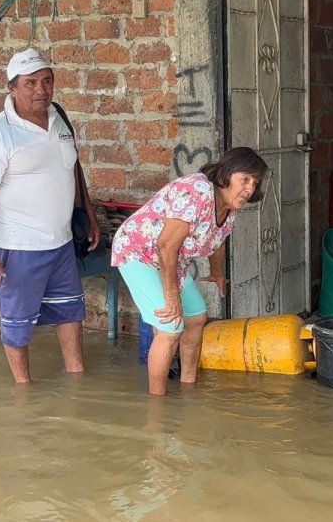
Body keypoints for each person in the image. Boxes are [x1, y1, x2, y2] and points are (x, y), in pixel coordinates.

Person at [0, 47, 100, 385]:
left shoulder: (59, 116)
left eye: (46, 81)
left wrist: (89, 213)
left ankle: (77, 377)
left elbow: (73, 168)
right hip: (19, 245)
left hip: (59, 241)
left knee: (70, 312)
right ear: (12, 88)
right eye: (30, 83)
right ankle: (23, 389)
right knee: (17, 322)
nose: (40, 90)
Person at [111, 147, 269, 395]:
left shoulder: (229, 209)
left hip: (171, 259)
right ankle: (157, 403)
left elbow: (219, 240)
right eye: (245, 179)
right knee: (171, 326)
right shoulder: (196, 192)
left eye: (255, 182)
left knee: (196, 318)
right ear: (226, 175)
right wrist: (172, 298)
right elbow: (165, 244)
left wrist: (217, 273)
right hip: (139, 252)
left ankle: (188, 388)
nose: (249, 189)